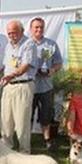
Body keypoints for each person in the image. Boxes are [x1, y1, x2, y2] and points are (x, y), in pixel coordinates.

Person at [0, 20, 37, 154]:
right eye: (9, 33)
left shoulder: (29, 44)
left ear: (21, 31)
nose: (11, 35)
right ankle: (5, 149)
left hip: (23, 85)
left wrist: (12, 75)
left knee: (22, 121)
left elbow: (26, 65)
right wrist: (6, 78)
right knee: (6, 120)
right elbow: (7, 66)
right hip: (8, 86)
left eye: (14, 32)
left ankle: (24, 152)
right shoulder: (8, 46)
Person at [30, 17, 63, 149]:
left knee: (46, 116)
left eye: (41, 27)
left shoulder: (51, 44)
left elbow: (59, 63)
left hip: (46, 87)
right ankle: (26, 139)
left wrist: (51, 70)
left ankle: (47, 139)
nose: (39, 29)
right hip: (30, 87)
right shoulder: (26, 44)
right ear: (31, 29)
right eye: (36, 27)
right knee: (28, 116)